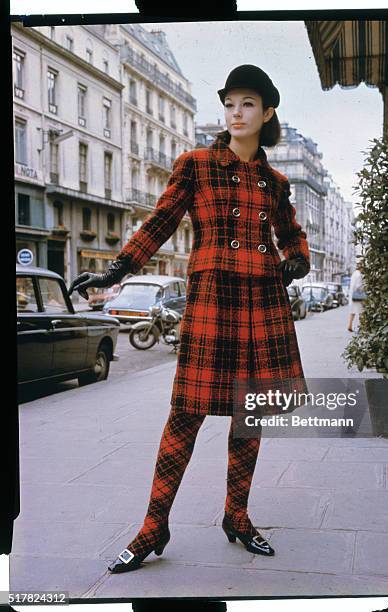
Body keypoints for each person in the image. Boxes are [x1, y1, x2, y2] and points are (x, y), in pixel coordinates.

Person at [69, 64, 311, 573]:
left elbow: (291, 234)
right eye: (230, 103)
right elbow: (159, 221)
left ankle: (237, 517)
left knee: (252, 415)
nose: (236, 113)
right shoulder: (196, 165)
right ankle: (154, 525)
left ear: (267, 113)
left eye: (248, 104)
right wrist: (117, 269)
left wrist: (297, 259)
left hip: (263, 303)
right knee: (185, 415)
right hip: (212, 301)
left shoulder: (276, 180)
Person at [347, 262, 365, 332]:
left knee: (353, 311)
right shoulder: (359, 275)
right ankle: (363, 326)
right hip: (358, 295)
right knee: (362, 311)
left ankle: (350, 325)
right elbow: (358, 286)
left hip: (353, 295)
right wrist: (364, 288)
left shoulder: (354, 273)